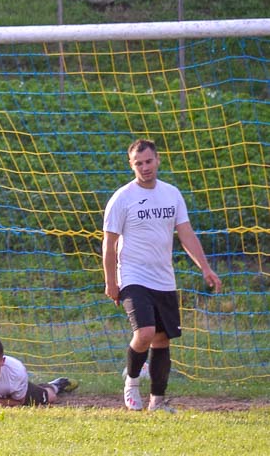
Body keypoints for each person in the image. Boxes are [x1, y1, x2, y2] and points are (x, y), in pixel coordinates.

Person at [102, 138, 222, 412]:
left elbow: (186, 234)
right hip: (132, 276)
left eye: (148, 161)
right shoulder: (122, 198)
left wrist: (205, 267)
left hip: (164, 278)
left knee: (161, 338)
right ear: (131, 165)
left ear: (157, 160)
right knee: (144, 332)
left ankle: (157, 401)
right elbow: (108, 244)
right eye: (138, 163)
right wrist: (111, 280)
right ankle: (131, 382)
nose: (145, 167)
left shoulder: (172, 194)